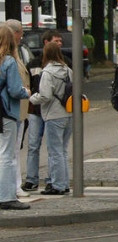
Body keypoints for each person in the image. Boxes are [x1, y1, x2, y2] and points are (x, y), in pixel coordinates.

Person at [21, 29, 62, 192]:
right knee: (33, 145)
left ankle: (53, 179)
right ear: (46, 43)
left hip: (53, 110)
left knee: (54, 147)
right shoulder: (33, 64)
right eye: (56, 41)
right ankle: (31, 179)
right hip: (36, 110)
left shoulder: (65, 63)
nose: (60, 43)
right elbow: (28, 85)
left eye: (60, 41)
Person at [30, 43, 72, 195]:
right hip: (68, 113)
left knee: (55, 152)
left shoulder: (47, 73)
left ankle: (57, 185)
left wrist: (32, 98)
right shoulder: (68, 70)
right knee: (63, 151)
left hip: (53, 114)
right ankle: (65, 183)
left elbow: (45, 95)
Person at [0, 24, 32, 210]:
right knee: (7, 154)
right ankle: (6, 196)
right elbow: (13, 89)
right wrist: (25, 92)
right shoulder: (9, 62)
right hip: (5, 111)